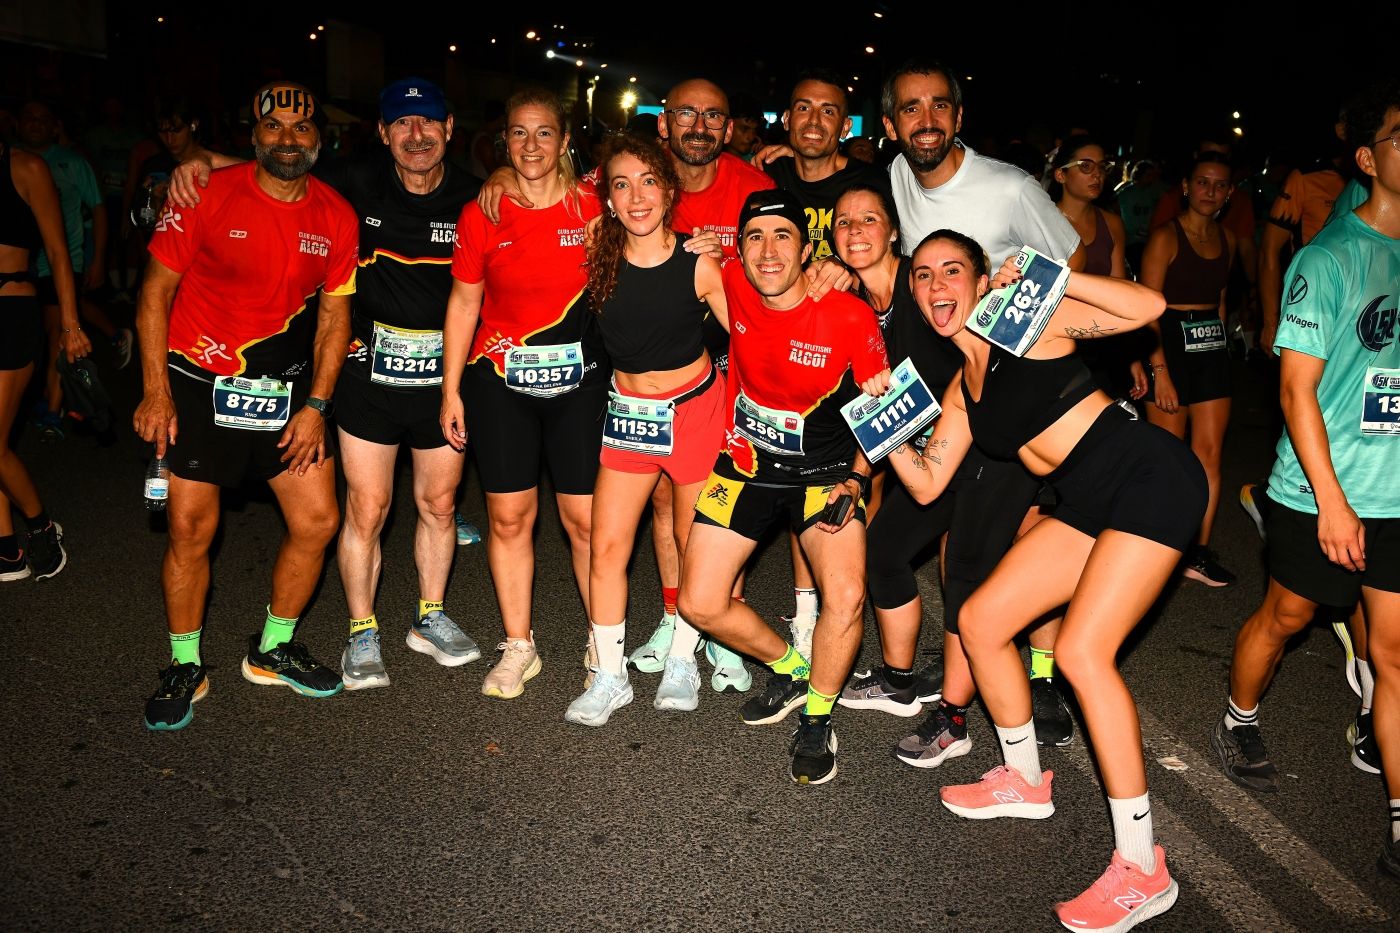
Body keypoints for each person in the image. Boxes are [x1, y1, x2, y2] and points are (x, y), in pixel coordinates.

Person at [880, 229, 1203, 931]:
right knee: (984, 618)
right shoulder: (960, 386)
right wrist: (878, 425)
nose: (938, 286)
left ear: (981, 278)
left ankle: (1144, 866)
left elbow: (1148, 306)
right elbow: (931, 479)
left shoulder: (1029, 320)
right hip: (1087, 502)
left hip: (1149, 479)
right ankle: (1025, 779)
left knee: (1084, 654)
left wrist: (1054, 277)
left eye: (953, 270)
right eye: (924, 275)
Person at [1212, 82, 1400, 880]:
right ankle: (1237, 715)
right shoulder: (1329, 257)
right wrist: (1332, 502)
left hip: (1396, 499)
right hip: (1322, 493)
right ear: (1369, 158)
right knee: (1287, 616)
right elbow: (1294, 391)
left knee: (1394, 657)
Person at [134, 82, 356, 731]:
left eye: (301, 127)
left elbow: (334, 319)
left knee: (317, 521)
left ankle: (273, 649)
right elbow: (154, 293)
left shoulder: (335, 213)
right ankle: (184, 662)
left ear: (320, 136)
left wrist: (317, 403)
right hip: (199, 382)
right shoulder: (205, 193)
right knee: (189, 531)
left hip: (286, 394)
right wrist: (154, 389)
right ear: (253, 134)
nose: (289, 139)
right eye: (275, 127)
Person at [877, 58, 1084, 748]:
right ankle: (957, 671)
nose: (926, 120)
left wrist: (1042, 347)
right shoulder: (901, 176)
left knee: (1012, 544)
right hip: (949, 390)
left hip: (1015, 391)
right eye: (911, 109)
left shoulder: (1009, 187)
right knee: (951, 548)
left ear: (959, 117)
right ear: (890, 124)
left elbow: (1070, 267)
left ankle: (1038, 678)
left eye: (940, 106)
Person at [679, 189, 887, 785]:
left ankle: (819, 715)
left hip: (825, 476)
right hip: (745, 466)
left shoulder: (848, 314)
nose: (768, 251)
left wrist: (858, 476)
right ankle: (793, 667)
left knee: (845, 597)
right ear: (739, 248)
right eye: (754, 237)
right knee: (700, 602)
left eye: (783, 237)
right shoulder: (732, 283)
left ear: (806, 249)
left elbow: (885, 413)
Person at [440, 87, 605, 701]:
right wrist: (450, 389)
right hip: (498, 378)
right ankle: (519, 644)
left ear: (565, 139)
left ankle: (602, 637)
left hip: (580, 382)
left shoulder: (596, 204)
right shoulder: (484, 210)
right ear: (501, 140)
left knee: (584, 520)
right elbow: (463, 301)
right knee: (508, 517)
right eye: (517, 134)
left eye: (543, 133)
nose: (530, 145)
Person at [564, 131, 729, 725]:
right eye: (621, 184)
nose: (636, 197)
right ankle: (610, 675)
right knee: (606, 547)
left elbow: (755, 334)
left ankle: (685, 656)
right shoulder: (596, 256)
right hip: (629, 418)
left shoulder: (699, 262)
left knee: (692, 545)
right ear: (606, 198)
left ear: (668, 190)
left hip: (696, 411)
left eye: (648, 181)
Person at [756, 70, 894, 660]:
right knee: (801, 482)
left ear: (847, 123)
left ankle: (861, 607)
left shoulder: (870, 181)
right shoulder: (766, 173)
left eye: (829, 111)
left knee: (863, 488)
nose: (814, 121)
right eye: (802, 109)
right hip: (791, 357)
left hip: (860, 346)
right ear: (786, 119)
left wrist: (850, 270)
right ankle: (806, 613)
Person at [829, 184, 961, 725]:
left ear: (893, 231)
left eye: (869, 219)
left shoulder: (924, 285)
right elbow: (878, 407)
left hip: (981, 452)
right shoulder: (852, 305)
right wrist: (859, 479)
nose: (856, 230)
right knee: (884, 548)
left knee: (974, 579)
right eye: (843, 222)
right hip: (921, 457)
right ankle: (901, 680)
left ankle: (991, 697)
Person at [1140, 152, 1239, 587]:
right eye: (1202, 182)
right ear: (1186, 186)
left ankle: (1196, 552)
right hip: (1169, 340)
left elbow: (1219, 299)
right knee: (1166, 458)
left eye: (1219, 185)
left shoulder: (1229, 240)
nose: (1210, 192)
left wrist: (1223, 346)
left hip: (1211, 345)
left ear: (1229, 193)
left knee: (1210, 456)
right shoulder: (1165, 237)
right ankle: (1152, 547)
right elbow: (1146, 308)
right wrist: (1159, 369)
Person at [0, 138, 88, 583]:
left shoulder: (25, 167)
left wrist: (70, 327)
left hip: (9, 310)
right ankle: (7, 551)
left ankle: (40, 526)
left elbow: (57, 252)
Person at [18, 101, 130, 437]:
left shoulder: (73, 162)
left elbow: (98, 209)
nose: (35, 124)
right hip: (21, 266)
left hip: (63, 260)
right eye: (29, 118)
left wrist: (97, 259)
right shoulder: (12, 161)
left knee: (58, 331)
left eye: (43, 119)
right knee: (35, 334)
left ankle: (53, 409)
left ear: (55, 127)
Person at [1050, 134, 1147, 400]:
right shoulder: (1043, 221)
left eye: (1102, 167)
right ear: (1061, 175)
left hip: (1104, 342)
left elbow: (1119, 292)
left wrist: (1132, 357)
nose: (1097, 175)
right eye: (1085, 166)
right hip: (1058, 342)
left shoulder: (1112, 223)